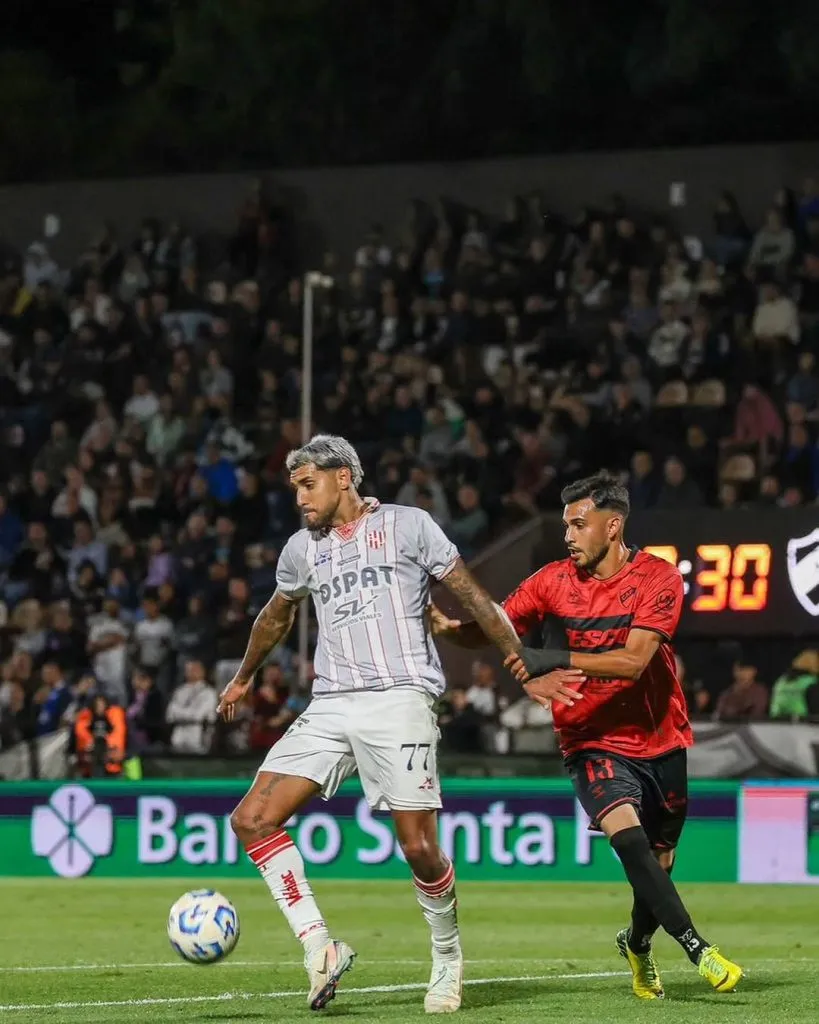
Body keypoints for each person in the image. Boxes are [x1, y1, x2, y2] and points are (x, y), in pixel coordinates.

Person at [216, 434, 520, 1013]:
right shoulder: (302, 549)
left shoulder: (410, 526)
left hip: (401, 699)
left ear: (344, 477)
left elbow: (473, 596)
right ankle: (319, 948)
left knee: (420, 848)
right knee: (252, 819)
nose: (300, 498)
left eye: (309, 485)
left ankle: (448, 958)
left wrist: (520, 662)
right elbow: (275, 616)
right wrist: (245, 675)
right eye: (295, 488)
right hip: (331, 703)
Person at [430, 471, 743, 998]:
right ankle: (699, 949)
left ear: (613, 525)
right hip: (589, 738)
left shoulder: (658, 577)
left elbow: (634, 663)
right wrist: (451, 630)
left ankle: (638, 944)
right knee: (631, 843)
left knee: (660, 862)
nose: (569, 535)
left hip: (660, 735)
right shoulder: (551, 581)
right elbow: (497, 628)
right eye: (565, 524)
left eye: (579, 524)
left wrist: (548, 657)